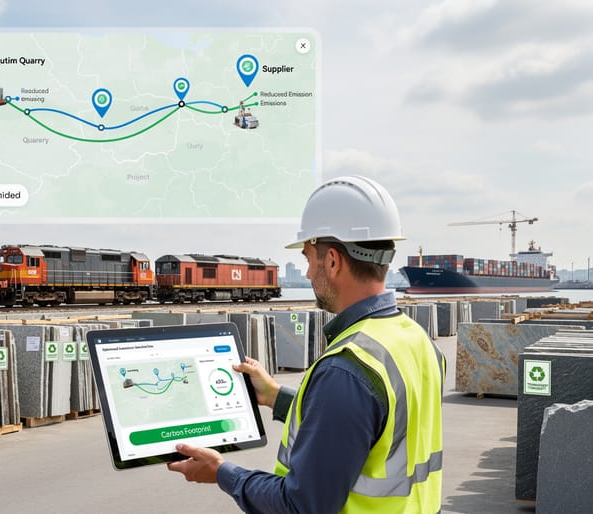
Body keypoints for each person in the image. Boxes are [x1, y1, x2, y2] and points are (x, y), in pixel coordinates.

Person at [168, 176, 446, 513]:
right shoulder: (417, 340)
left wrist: (223, 472)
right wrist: (276, 397)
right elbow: (369, 428)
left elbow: (302, 505)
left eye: (308, 259)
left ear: (331, 260)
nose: (309, 274)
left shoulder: (347, 369)